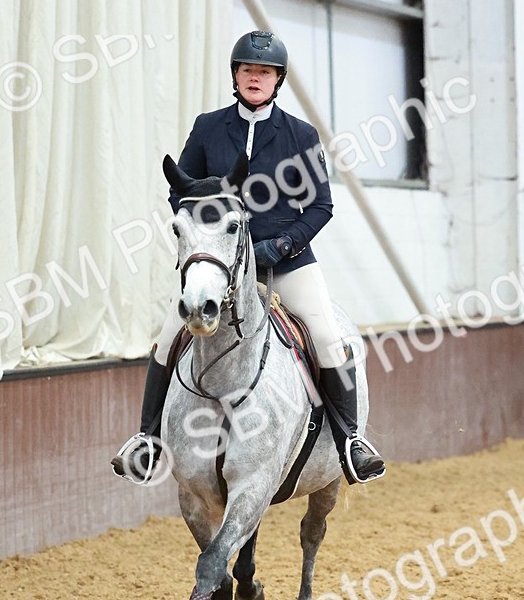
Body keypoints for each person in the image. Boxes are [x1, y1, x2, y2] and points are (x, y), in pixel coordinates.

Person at [112, 30, 385, 485]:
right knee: (166, 338)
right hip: (220, 268)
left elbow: (321, 206)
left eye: (264, 72)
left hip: (286, 261)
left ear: (278, 80)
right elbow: (181, 192)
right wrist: (206, 234)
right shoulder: (208, 128)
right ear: (235, 76)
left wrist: (278, 247)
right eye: (247, 70)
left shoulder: (300, 134)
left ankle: (351, 441)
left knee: (328, 335)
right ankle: (147, 440)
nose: (254, 78)